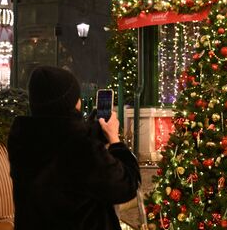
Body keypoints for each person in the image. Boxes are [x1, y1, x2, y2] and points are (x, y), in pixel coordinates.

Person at [8, 66, 140, 230]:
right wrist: (115, 140)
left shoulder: (23, 138)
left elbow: (58, 137)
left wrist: (92, 131)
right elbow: (126, 186)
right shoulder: (81, 146)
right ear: (71, 102)